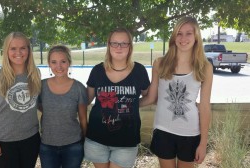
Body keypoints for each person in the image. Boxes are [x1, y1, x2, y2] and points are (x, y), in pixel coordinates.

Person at [140, 16, 213, 168]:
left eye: (188, 33)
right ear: (174, 37)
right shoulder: (160, 63)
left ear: (196, 37)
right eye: (179, 33)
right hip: (163, 130)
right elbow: (152, 97)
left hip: (190, 133)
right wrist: (128, 104)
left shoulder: (205, 67)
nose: (183, 38)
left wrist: (203, 142)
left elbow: (205, 107)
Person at [84, 27, 150, 168]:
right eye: (115, 43)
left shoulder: (139, 71)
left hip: (126, 139)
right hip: (97, 138)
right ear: (109, 45)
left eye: (124, 43)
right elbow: (86, 99)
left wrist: (132, 103)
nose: (119, 47)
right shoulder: (97, 70)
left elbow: (149, 97)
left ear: (130, 46)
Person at [0, 32, 41, 168]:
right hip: (4, 141)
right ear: (6, 51)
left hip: (31, 138)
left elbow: (37, 103)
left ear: (28, 50)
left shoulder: (35, 74)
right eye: (13, 48)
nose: (18, 52)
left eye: (23, 48)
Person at [38, 45, 88, 168]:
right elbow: (37, 106)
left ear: (69, 63)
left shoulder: (78, 88)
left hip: (73, 145)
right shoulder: (41, 86)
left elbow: (83, 119)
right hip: (47, 145)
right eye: (54, 62)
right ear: (49, 64)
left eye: (63, 62)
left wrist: (85, 141)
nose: (59, 66)